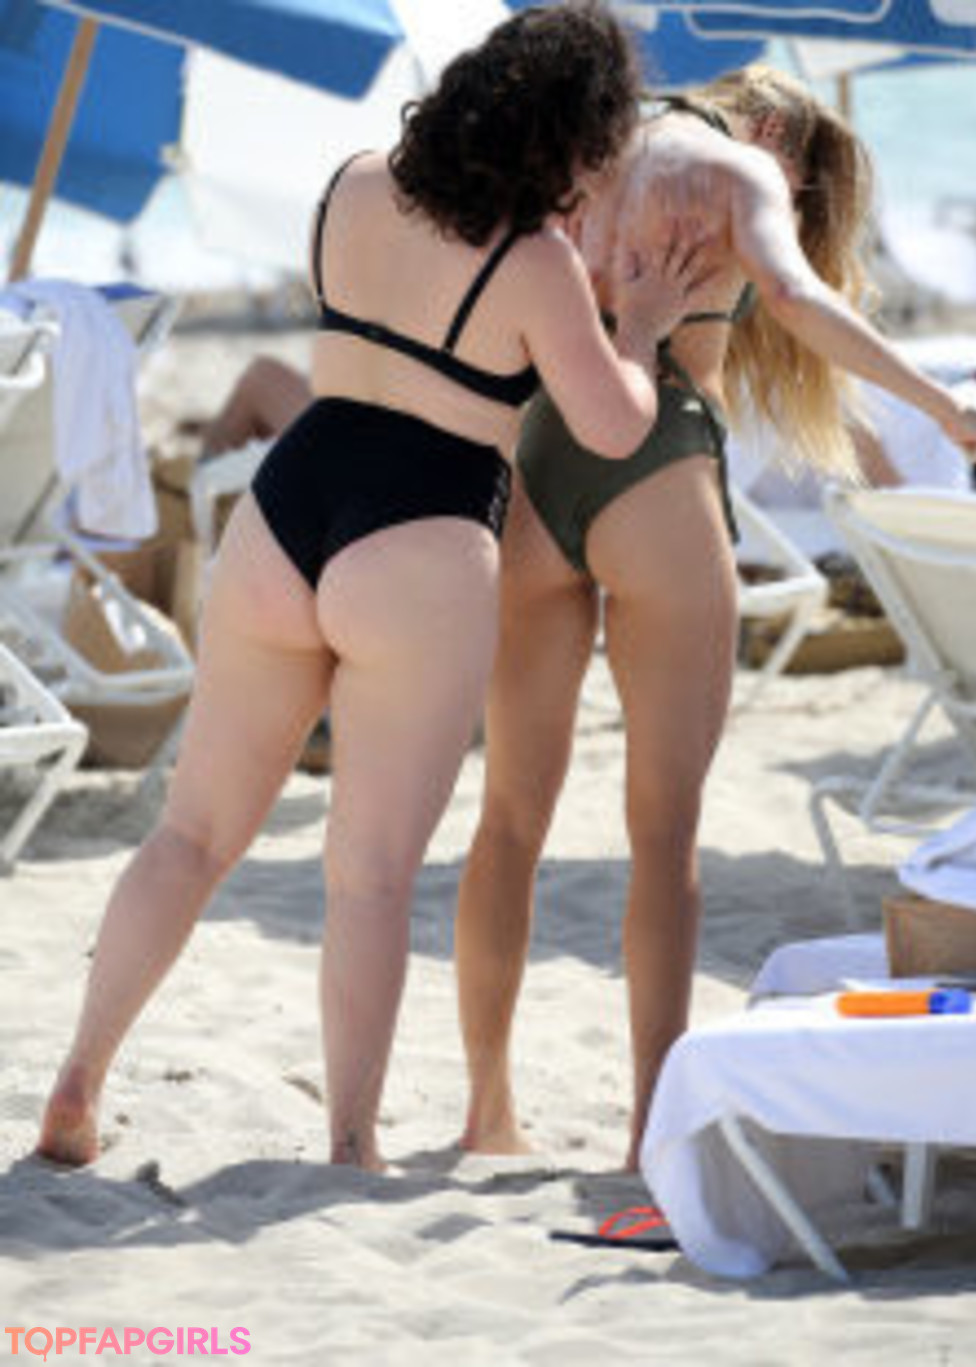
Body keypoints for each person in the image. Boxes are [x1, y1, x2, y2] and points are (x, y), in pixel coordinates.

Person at [36, 2, 709, 1173]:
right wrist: (642, 328)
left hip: (289, 503)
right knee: (370, 876)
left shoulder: (351, 184)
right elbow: (610, 425)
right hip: (425, 532)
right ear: (572, 139)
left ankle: (78, 1080)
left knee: (191, 832)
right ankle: (351, 1141)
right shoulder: (534, 262)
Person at [453, 65, 976, 1171]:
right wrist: (947, 405)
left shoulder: (587, 147)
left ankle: (486, 1114)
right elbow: (795, 297)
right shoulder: (736, 166)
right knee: (663, 833)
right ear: (772, 125)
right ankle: (647, 1133)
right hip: (657, 469)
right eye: (800, 178)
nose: (793, 197)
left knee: (508, 820)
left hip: (538, 457)